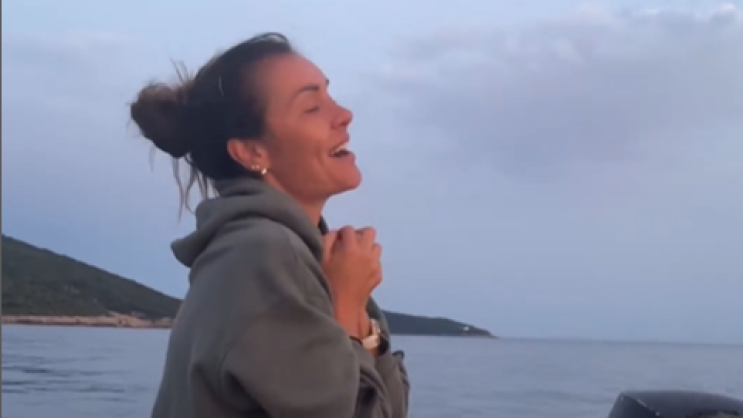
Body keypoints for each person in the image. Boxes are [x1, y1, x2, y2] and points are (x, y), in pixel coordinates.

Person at [129, 33, 410, 418]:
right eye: (312, 107)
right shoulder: (264, 254)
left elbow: (388, 409)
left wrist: (361, 322)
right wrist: (346, 305)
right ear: (251, 152)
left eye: (329, 95)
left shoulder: (292, 253)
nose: (344, 114)